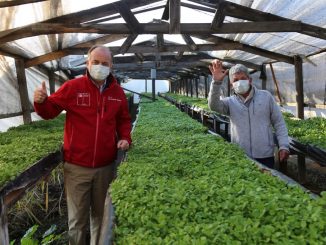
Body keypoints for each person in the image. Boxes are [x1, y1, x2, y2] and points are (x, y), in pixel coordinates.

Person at [34, 45, 132, 245]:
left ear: (111, 66)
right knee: (77, 221)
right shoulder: (73, 87)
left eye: (105, 63)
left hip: (106, 167)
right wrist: (41, 102)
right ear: (87, 63)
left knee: (100, 217)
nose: (99, 66)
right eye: (95, 62)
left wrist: (125, 138)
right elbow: (49, 111)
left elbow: (124, 119)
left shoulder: (117, 92)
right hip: (77, 167)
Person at [208, 59, 289, 168]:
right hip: (240, 154)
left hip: (265, 154)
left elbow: (279, 122)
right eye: (235, 80)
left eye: (243, 79)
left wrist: (283, 145)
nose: (239, 82)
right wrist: (216, 82)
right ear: (232, 85)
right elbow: (213, 105)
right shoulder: (230, 102)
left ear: (250, 80)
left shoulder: (266, 97)